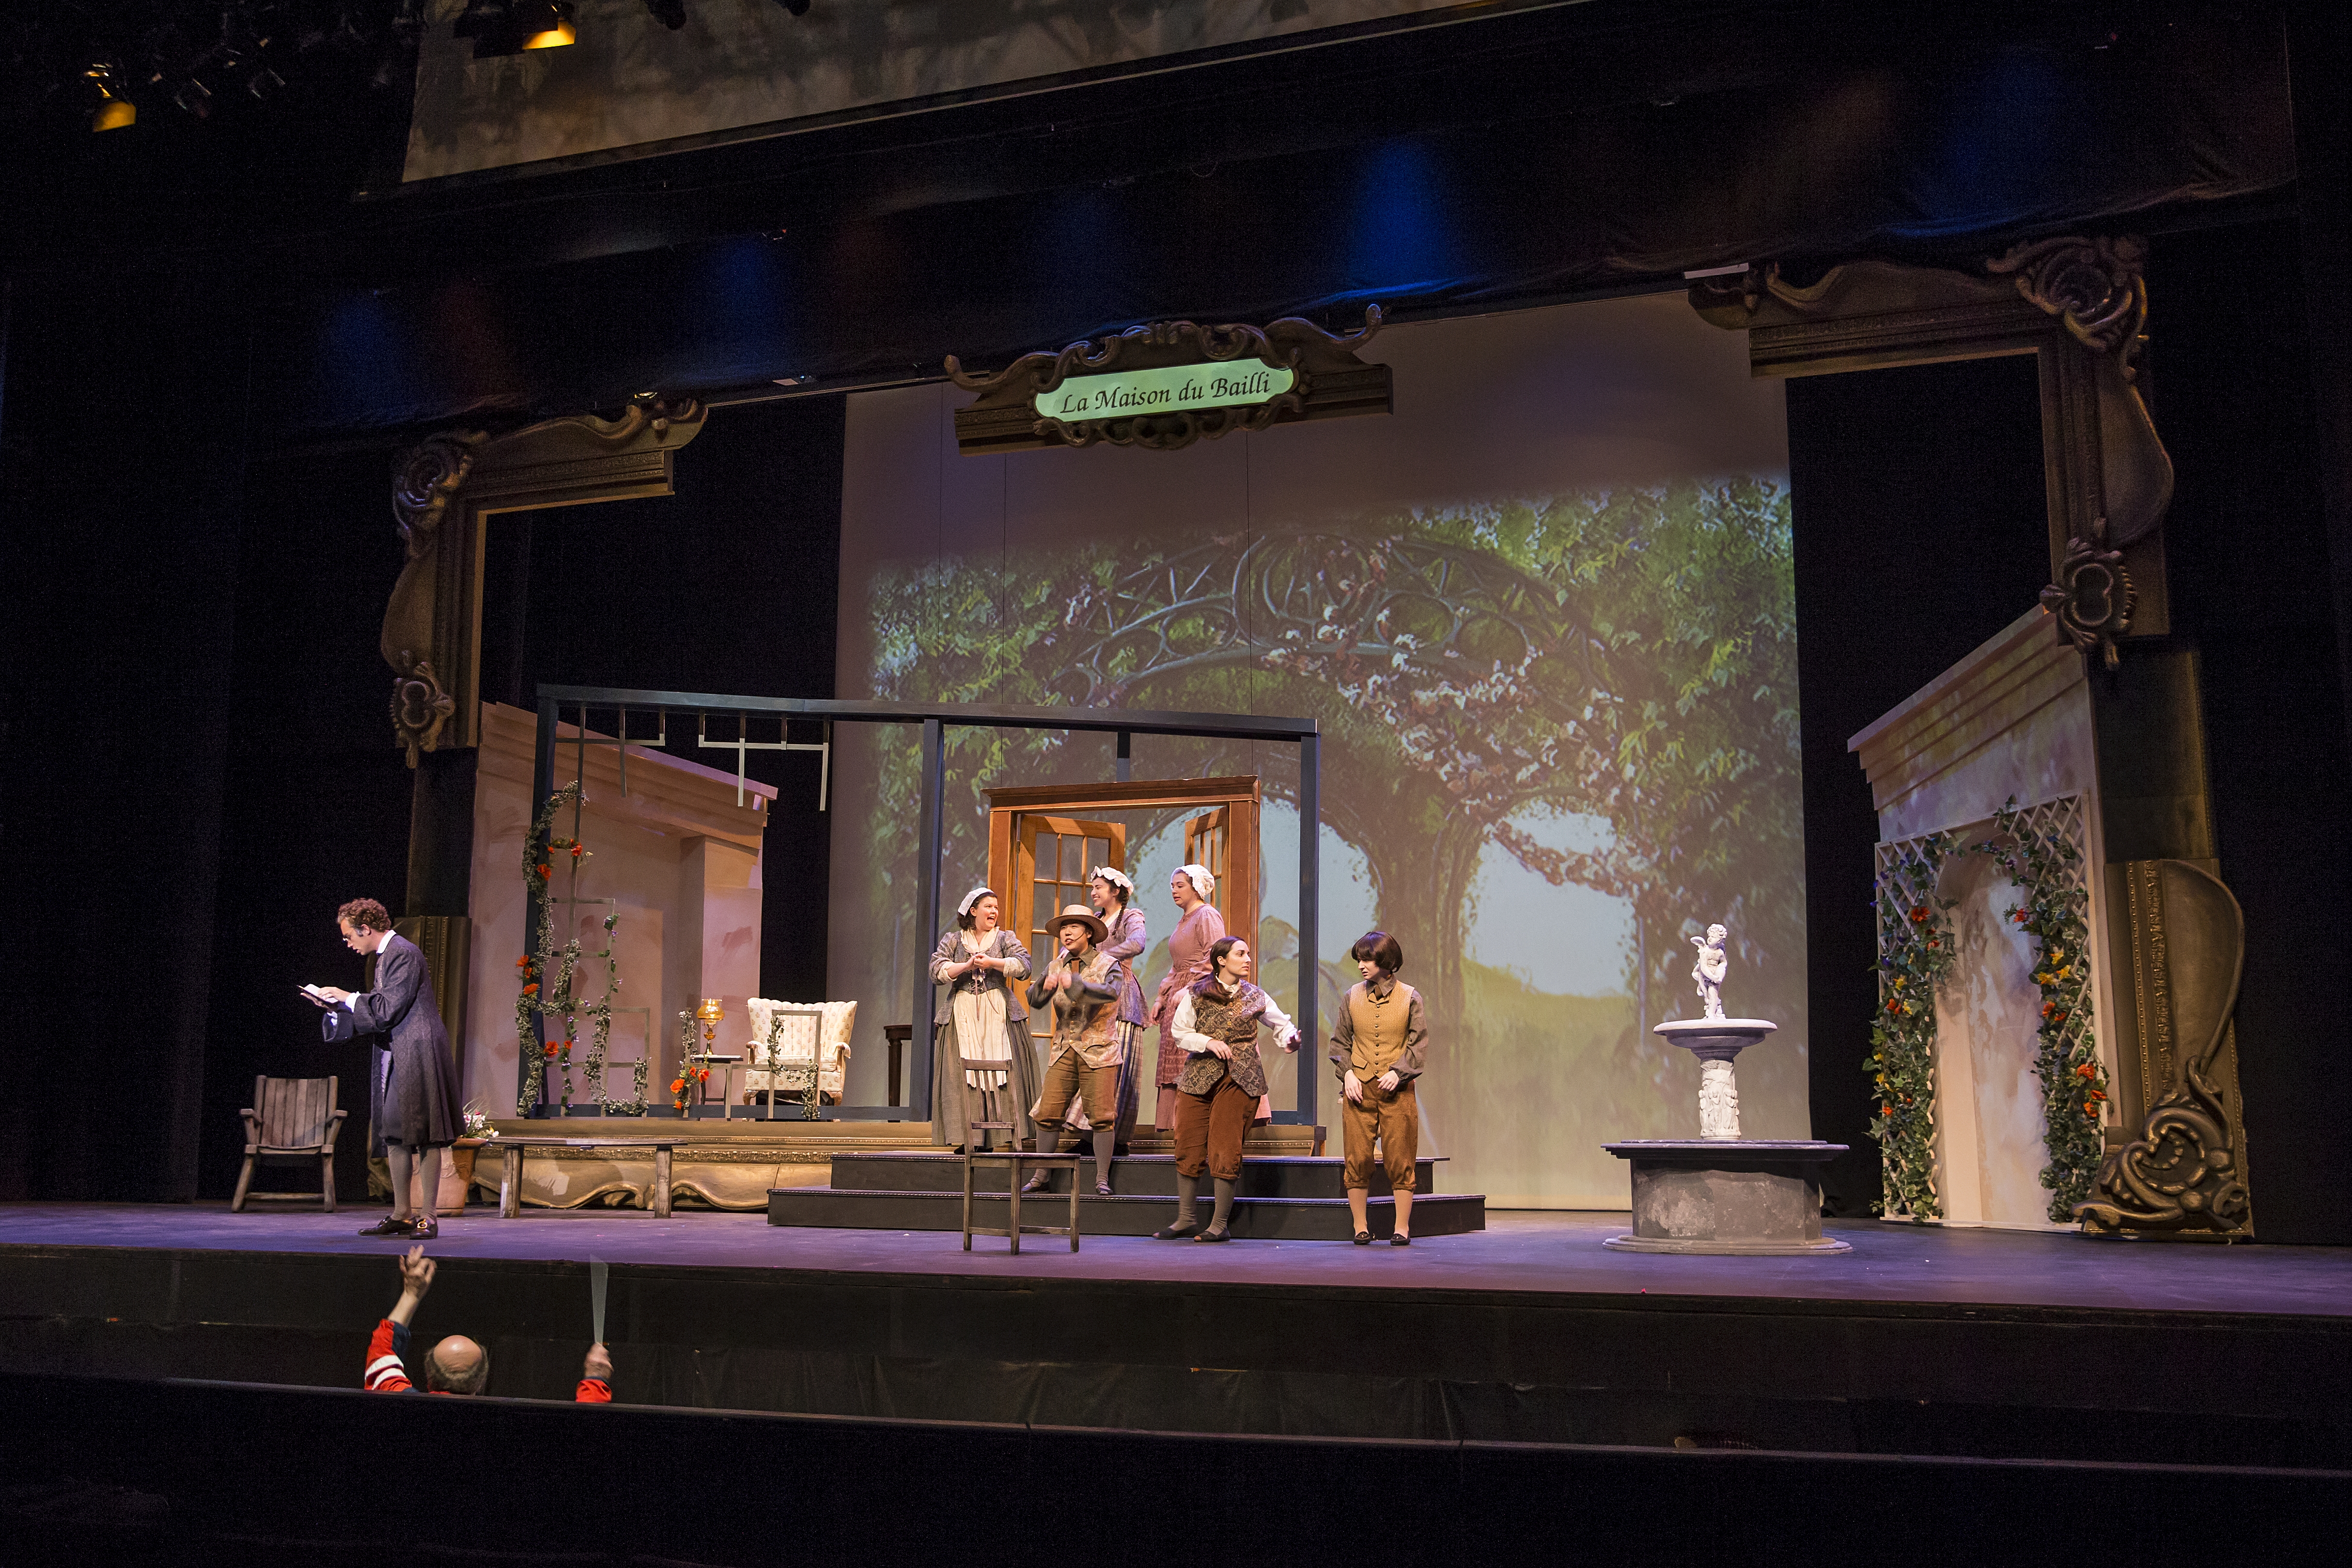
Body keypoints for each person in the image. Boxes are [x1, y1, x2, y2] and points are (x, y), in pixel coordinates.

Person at [312, 898, 464, 1240]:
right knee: (394, 1131)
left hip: (419, 1050)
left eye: (349, 936)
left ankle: (428, 1215)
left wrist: (347, 996)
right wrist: (336, 1006)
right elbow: (381, 1012)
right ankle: (401, 1213)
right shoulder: (385, 956)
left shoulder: (403, 952)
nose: (348, 943)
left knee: (426, 1134)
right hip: (399, 1050)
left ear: (366, 928)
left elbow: (387, 1009)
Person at [1154, 936, 1299, 1242]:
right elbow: (1180, 1032)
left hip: (1240, 1077)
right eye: (1241, 954)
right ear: (1222, 960)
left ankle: (1219, 1225)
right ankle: (1186, 1219)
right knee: (1188, 1144)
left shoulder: (1256, 995)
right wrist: (1207, 1042)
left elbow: (1281, 1024)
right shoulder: (1196, 993)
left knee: (1224, 1146)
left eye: (1248, 954)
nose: (1248, 959)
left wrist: (1290, 1040)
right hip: (1198, 1076)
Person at [365, 1244, 611, 1401]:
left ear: (429, 1375)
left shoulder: (396, 1401)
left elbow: (382, 1353)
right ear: (482, 1382)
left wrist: (411, 1293)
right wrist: (596, 1378)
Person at [1329, 929, 1429, 1246]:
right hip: (1360, 1088)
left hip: (1395, 1090)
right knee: (1357, 1158)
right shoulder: (1351, 996)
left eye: (1368, 958)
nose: (1361, 965)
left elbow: (1418, 1046)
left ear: (1386, 960)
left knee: (1400, 1156)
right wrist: (1347, 1074)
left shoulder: (1410, 997)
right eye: (1359, 958)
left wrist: (1399, 1073)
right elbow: (1339, 1043)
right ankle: (1361, 1226)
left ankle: (1402, 1227)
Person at [1023, 904, 1126, 1196]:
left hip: (1099, 1050)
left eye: (1074, 928)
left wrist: (1076, 983)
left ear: (1089, 932)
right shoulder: (1058, 964)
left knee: (1102, 1116)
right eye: (1064, 928)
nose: (1067, 933)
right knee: (1048, 1112)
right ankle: (1042, 1175)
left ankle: (1102, 1179)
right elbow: (1035, 999)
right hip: (1064, 1048)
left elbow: (1112, 992)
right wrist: (1046, 983)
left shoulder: (1108, 963)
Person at [928, 887, 1038, 1151]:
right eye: (988, 907)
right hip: (962, 1012)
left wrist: (993, 963)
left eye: (996, 908)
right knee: (963, 1074)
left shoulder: (1004, 937)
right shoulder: (954, 939)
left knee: (1000, 1069)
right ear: (973, 911)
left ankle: (1002, 1136)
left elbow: (1025, 966)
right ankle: (971, 1138)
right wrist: (966, 966)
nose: (994, 912)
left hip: (998, 1010)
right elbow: (935, 970)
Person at [1059, 867, 1149, 1153]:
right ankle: (1087, 1132)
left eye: (1099, 887)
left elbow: (1138, 943)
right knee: (1089, 1060)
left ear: (1115, 891)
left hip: (1120, 995)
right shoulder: (1095, 921)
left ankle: (1111, 1137)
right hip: (1094, 995)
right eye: (1093, 887)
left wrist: (1102, 959)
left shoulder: (1131, 916)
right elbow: (1070, 952)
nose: (1094, 892)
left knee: (1112, 1064)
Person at [1150, 864, 1227, 1132]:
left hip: (1200, 991)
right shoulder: (1185, 919)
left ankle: (1197, 1122)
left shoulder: (1207, 915)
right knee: (1177, 1057)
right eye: (1172, 886)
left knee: (1192, 1056)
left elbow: (1215, 956)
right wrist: (1162, 996)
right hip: (1180, 991)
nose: (1174, 891)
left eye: (1180, 886)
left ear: (1196, 888)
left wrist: (1191, 987)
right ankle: (1180, 1126)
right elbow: (1177, 965)